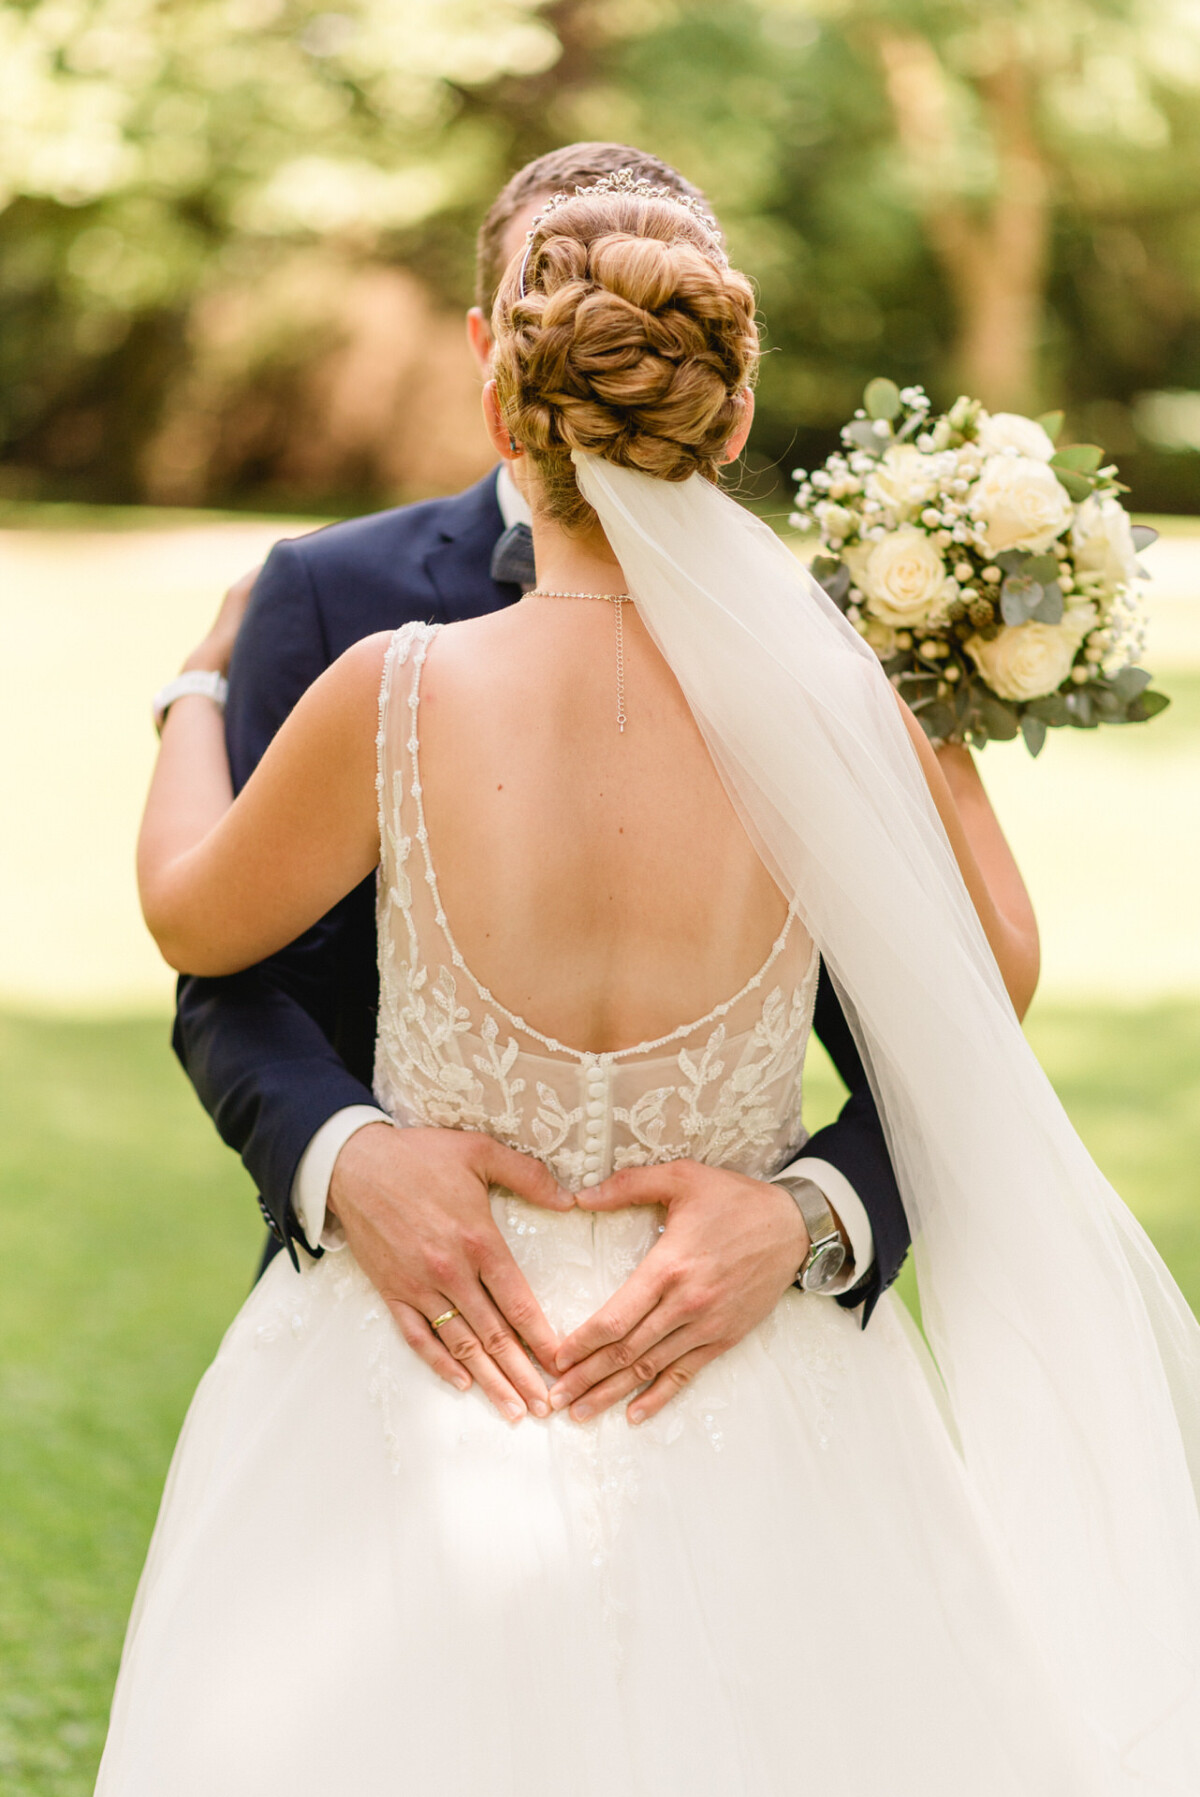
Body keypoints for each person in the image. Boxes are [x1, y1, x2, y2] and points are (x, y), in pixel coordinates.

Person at [99, 176, 1200, 1793]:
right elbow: (995, 975)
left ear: (499, 391)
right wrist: (931, 738)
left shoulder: (389, 689)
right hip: (752, 1391)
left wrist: (195, 691)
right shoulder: (827, 702)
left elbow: (194, 922)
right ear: (731, 408)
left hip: (427, 1379)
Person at [168, 146, 923, 1440]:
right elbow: (239, 974)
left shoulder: (833, 661)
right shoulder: (330, 592)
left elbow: (938, 1037)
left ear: (500, 391)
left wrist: (808, 1209)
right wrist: (344, 1158)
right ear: (733, 405)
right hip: (406, 1324)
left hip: (732, 1333)